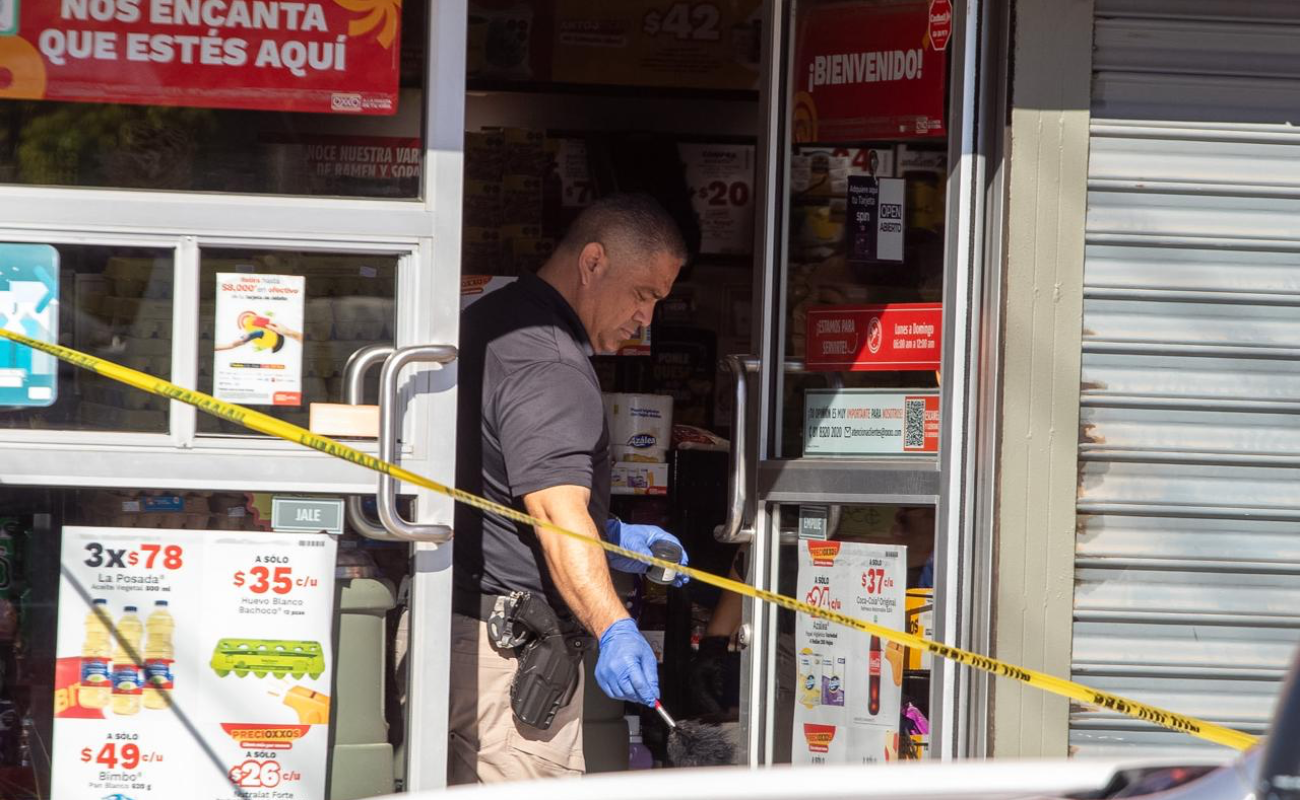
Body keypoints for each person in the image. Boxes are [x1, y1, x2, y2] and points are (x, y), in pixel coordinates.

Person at [450, 194, 691, 783]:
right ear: (592, 263)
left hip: (463, 632)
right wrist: (614, 627)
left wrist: (608, 533)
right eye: (643, 294)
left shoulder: (495, 319)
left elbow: (509, 491)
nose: (647, 318)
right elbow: (557, 516)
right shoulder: (551, 365)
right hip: (508, 659)